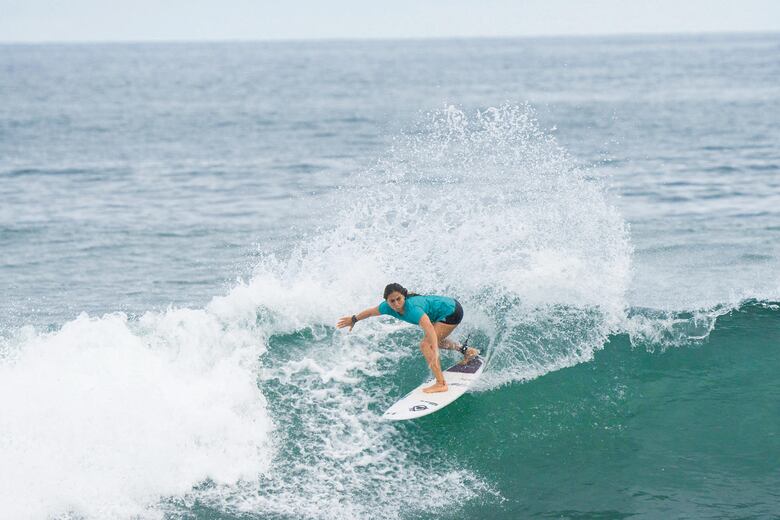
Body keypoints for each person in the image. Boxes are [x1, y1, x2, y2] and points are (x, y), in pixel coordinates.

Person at [337, 283, 479, 394]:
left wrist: (434, 350)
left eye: (399, 299)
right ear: (386, 301)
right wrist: (353, 319)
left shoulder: (413, 310)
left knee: (425, 345)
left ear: (404, 296)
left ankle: (441, 384)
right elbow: (370, 312)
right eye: (392, 301)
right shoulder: (387, 307)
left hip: (451, 311)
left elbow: (429, 328)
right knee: (434, 340)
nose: (396, 304)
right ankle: (467, 351)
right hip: (445, 308)